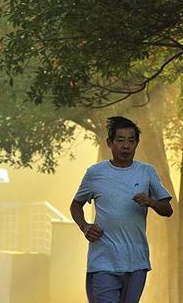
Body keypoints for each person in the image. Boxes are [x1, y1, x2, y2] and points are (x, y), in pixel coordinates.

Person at [69, 116, 173, 303]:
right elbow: (76, 205)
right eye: (120, 140)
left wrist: (151, 201)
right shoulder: (95, 173)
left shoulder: (147, 172)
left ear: (136, 144)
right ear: (110, 143)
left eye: (131, 141)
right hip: (103, 261)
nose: (126, 146)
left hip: (136, 262)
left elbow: (167, 209)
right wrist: (85, 227)